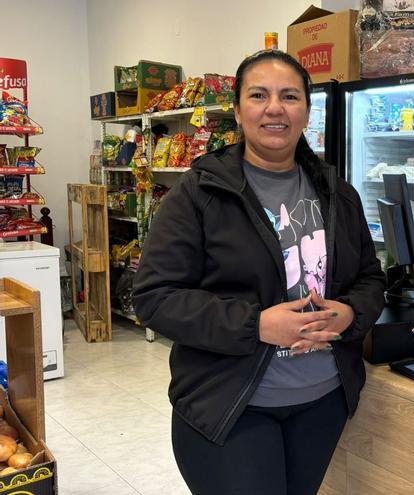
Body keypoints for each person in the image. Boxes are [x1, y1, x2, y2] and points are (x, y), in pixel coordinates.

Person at [132, 50, 385, 495]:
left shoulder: (338, 194)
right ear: (237, 111)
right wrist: (257, 324)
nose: (275, 108)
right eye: (259, 95)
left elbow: (370, 278)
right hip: (232, 405)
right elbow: (154, 296)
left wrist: (349, 314)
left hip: (321, 401)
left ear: (306, 110)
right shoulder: (200, 192)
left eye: (289, 96)